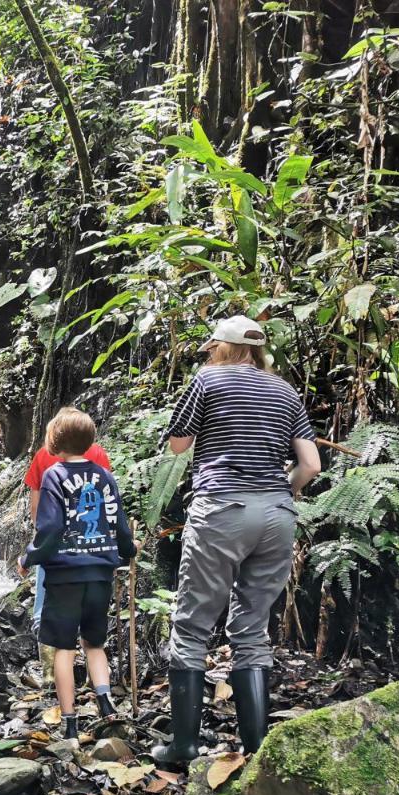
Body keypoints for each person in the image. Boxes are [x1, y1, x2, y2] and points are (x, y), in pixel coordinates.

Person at [151, 316, 321, 765]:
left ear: (223, 348)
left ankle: (184, 746)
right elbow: (310, 464)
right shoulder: (285, 390)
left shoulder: (208, 379)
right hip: (278, 513)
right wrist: (283, 491)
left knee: (191, 625)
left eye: (212, 349)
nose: (209, 355)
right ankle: (257, 749)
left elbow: (178, 445)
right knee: (251, 629)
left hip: (223, 508)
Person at [18, 408, 137, 740]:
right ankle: (106, 701)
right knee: (95, 643)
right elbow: (118, 522)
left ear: (54, 441)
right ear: (91, 440)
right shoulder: (105, 476)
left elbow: (51, 526)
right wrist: (128, 550)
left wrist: (30, 557)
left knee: (65, 649)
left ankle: (70, 722)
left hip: (65, 575)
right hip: (100, 572)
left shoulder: (54, 475)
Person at [24, 436, 112, 635]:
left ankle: (41, 621)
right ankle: (84, 626)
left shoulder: (44, 453)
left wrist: (40, 531)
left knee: (47, 575)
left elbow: (36, 502)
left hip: (56, 535)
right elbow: (106, 493)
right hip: (91, 537)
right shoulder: (97, 452)